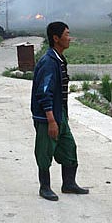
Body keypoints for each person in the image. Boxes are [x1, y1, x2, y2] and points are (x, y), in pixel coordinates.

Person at [31, 21, 89, 201]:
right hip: (48, 117)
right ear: (56, 38)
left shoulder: (59, 59)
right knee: (45, 151)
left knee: (69, 147)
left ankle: (69, 183)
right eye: (67, 34)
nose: (70, 38)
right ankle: (45, 187)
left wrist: (60, 117)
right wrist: (51, 120)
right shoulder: (49, 62)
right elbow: (44, 93)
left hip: (60, 114)